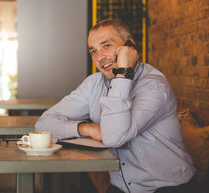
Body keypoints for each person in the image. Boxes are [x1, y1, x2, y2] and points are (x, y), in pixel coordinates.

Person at [35, 18, 196, 193]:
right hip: (122, 187)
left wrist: (124, 72)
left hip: (168, 187)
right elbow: (43, 124)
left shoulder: (153, 86)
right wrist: (86, 128)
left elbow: (115, 137)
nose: (100, 57)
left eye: (106, 46)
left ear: (130, 46)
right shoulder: (93, 84)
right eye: (93, 51)